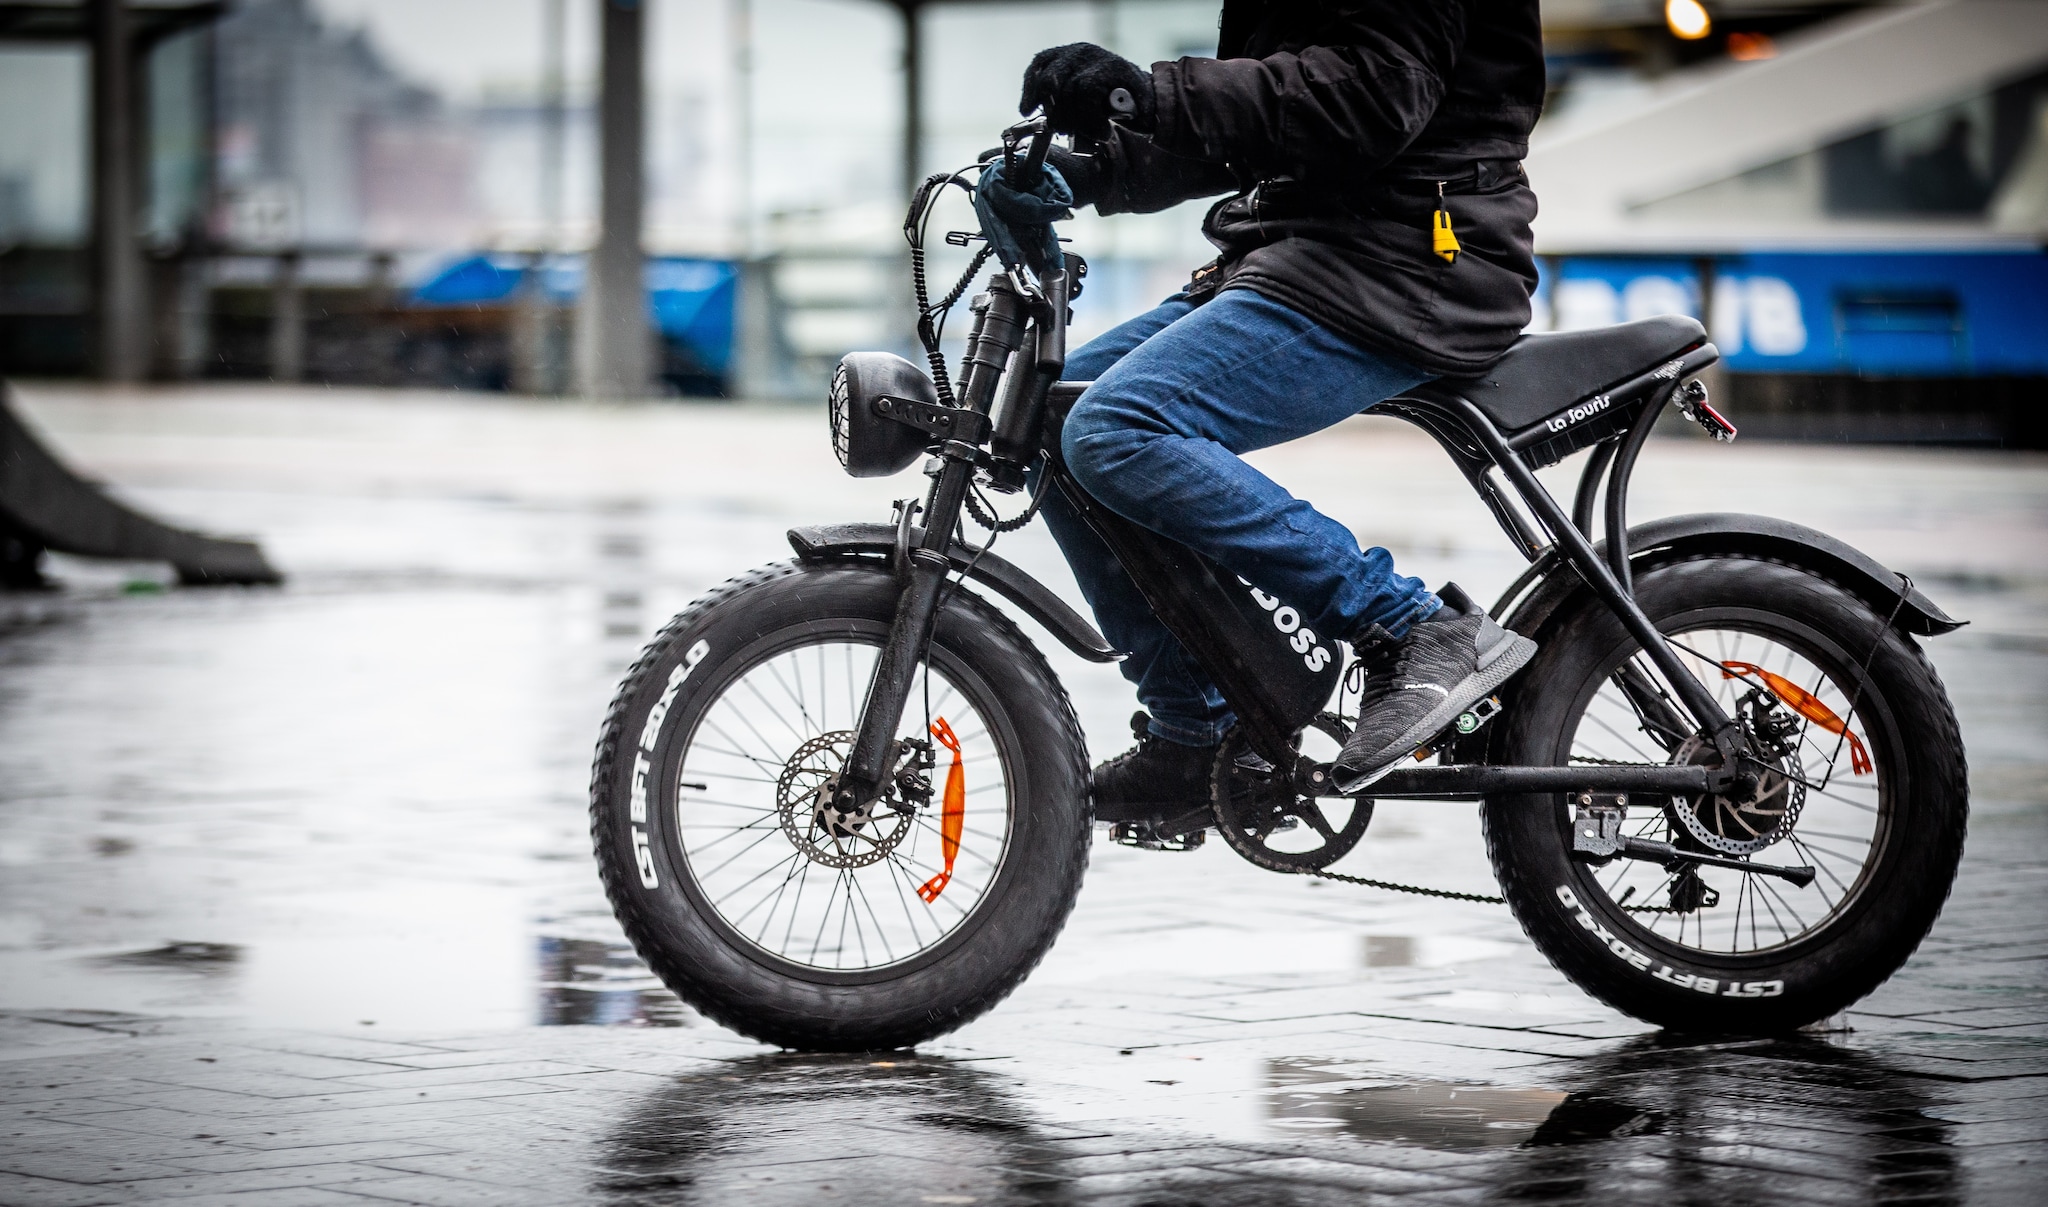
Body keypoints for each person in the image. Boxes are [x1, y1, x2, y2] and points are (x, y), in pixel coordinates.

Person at [996, 1, 1547, 823]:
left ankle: (1411, 626)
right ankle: (1202, 730)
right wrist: (1095, 171)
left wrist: (1145, 94)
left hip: (1413, 261)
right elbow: (1258, 134)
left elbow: (1376, 94)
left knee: (1116, 428)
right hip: (1307, 251)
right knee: (1054, 415)